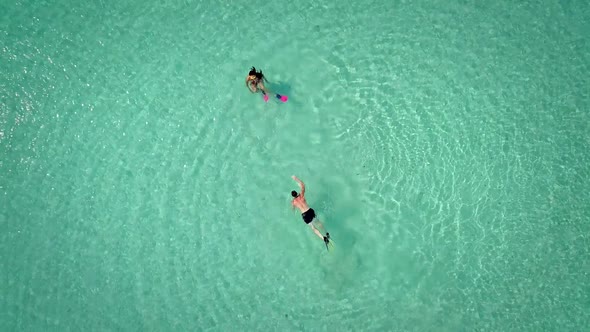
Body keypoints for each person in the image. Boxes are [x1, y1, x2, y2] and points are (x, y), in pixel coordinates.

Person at [290, 175, 330, 246]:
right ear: (296, 193)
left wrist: (294, 209)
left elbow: (292, 209)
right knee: (318, 222)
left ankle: (323, 238)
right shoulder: (301, 195)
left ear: (292, 196)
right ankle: (326, 233)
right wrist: (296, 179)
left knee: (313, 228)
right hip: (309, 211)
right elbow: (302, 185)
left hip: (305, 215)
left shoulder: (293, 202)